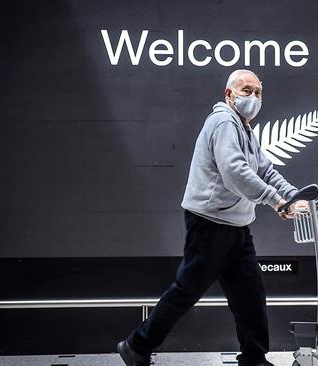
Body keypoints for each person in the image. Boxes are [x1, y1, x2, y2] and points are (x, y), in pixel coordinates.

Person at [117, 69, 307, 366]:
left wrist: (292, 195)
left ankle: (254, 358)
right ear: (229, 95)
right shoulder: (222, 123)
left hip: (236, 226)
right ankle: (136, 345)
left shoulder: (245, 128)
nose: (253, 98)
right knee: (187, 290)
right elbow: (235, 173)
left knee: (250, 295)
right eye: (246, 91)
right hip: (209, 223)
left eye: (258, 92)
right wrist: (275, 201)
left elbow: (264, 170)